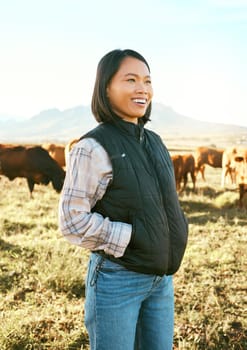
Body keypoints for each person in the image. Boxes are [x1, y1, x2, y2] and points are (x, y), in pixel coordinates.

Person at [58, 49, 188, 350]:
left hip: (161, 280)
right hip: (118, 280)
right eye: (130, 80)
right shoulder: (92, 147)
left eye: (147, 80)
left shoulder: (155, 141)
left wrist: (178, 226)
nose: (142, 88)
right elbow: (72, 220)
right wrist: (132, 237)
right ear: (106, 88)